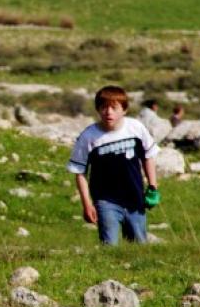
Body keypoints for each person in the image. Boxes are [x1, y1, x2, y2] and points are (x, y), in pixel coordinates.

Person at [67, 86, 160, 245]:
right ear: (97, 109)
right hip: (106, 201)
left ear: (124, 110)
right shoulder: (88, 136)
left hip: (135, 198)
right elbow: (79, 172)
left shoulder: (135, 128)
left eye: (114, 108)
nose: (108, 112)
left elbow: (148, 156)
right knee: (110, 245)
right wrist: (87, 204)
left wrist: (153, 187)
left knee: (139, 244)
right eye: (104, 107)